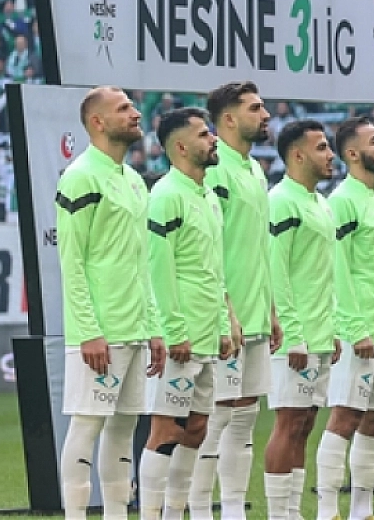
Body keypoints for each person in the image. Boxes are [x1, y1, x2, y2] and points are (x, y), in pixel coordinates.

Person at [55, 86, 166, 520]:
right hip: (100, 332)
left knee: (123, 431)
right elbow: (72, 262)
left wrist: (154, 327)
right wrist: (87, 331)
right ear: (98, 123)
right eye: (123, 109)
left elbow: (142, 264)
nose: (136, 113)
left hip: (135, 329)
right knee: (87, 425)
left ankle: (118, 514)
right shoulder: (81, 176)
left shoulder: (134, 180)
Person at [140, 108, 234, 520]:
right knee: (165, 429)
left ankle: (177, 512)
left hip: (207, 337)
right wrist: (174, 330)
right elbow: (158, 271)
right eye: (203, 134)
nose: (213, 139)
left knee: (197, 429)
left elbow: (211, 270)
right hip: (182, 337)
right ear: (180, 147)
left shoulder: (208, 196)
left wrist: (223, 324)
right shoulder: (165, 195)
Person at [192, 81, 278, 520]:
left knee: (244, 418)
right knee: (217, 417)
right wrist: (227, 311)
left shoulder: (255, 169)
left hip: (257, 314)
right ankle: (201, 510)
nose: (265, 115)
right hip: (227, 319)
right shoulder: (216, 168)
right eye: (255, 108)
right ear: (228, 118)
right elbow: (210, 246)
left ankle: (233, 511)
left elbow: (257, 247)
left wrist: (272, 309)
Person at [315, 118, 374, 520]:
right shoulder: (343, 201)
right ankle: (328, 510)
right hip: (359, 332)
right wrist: (354, 328)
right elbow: (339, 270)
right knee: (346, 416)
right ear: (352, 154)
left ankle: (363, 511)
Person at [263, 120, 340, 520]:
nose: (331, 155)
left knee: (305, 424)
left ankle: (292, 511)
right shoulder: (281, 201)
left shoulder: (321, 202)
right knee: (288, 422)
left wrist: (334, 328)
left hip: (321, 333)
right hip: (297, 337)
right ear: (298, 155)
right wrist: (292, 333)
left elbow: (325, 274)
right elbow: (277, 271)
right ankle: (279, 515)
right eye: (323, 148)